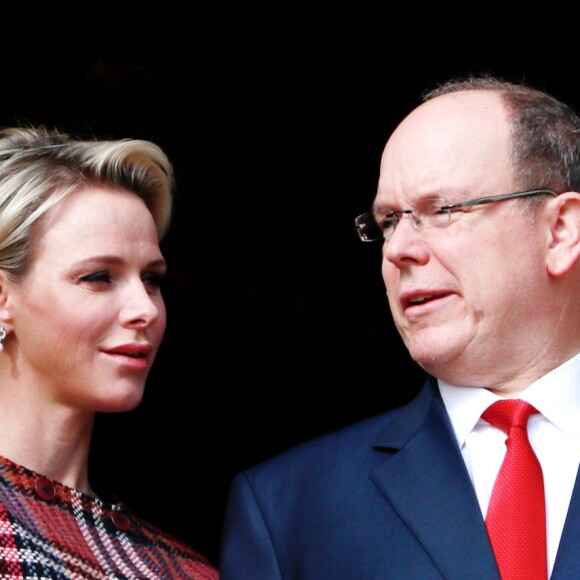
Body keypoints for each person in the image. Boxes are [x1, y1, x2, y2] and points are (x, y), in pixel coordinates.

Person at [219, 74, 580, 579]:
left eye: (444, 210)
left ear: (560, 230)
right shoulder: (289, 507)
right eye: (389, 221)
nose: (397, 249)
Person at [0, 125, 218, 579]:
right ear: (3, 299)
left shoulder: (186, 572)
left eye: (152, 279)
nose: (145, 310)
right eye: (99, 276)